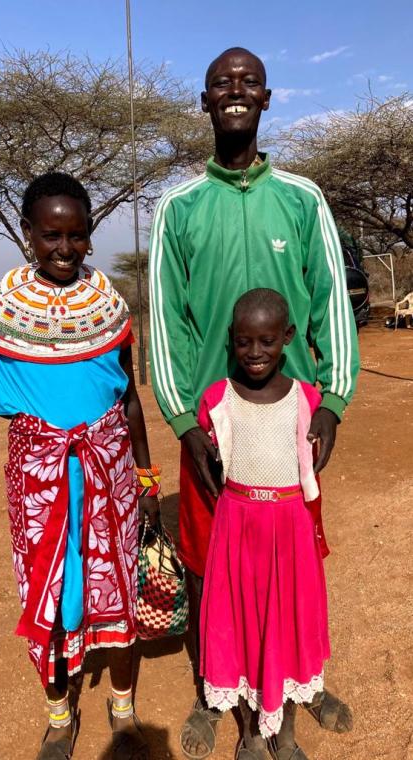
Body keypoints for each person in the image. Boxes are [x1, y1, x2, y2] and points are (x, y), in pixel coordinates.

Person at [148, 47, 358, 759]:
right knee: (212, 568)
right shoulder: (179, 207)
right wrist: (185, 422)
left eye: (246, 83)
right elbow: (166, 324)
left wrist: (331, 402)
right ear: (204, 101)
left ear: (267, 97)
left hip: (290, 427)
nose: (234, 92)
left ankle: (300, 679)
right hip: (214, 431)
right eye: (220, 84)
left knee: (297, 555)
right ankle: (218, 689)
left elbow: (332, 302)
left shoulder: (302, 199)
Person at [0, 172, 158, 760]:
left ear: (89, 236)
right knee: (47, 593)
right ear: (27, 234)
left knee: (116, 584)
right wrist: (28, 423)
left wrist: (146, 477)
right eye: (50, 235)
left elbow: (127, 396)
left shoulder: (108, 302)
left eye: (76, 235)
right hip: (39, 479)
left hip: (109, 471)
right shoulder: (3, 307)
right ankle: (60, 717)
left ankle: (123, 709)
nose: (64, 248)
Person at [198, 288, 332, 760]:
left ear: (288, 338)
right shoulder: (217, 400)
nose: (255, 353)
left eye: (267, 341)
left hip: (289, 532)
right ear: (231, 340)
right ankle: (252, 733)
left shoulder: (306, 400)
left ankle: (287, 732)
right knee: (243, 627)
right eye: (243, 342)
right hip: (238, 530)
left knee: (289, 627)